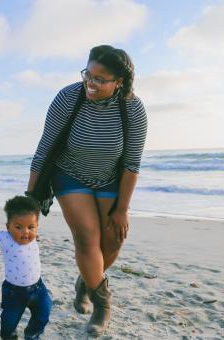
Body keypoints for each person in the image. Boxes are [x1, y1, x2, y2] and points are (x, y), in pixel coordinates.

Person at [27, 45, 147, 336]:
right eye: (87, 74)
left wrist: (122, 210)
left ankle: (86, 281)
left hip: (110, 180)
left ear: (119, 81)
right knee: (86, 237)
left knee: (112, 241)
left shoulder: (132, 108)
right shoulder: (69, 97)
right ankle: (102, 304)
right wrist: (30, 200)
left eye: (99, 79)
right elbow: (45, 147)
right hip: (70, 175)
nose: (90, 83)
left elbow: (132, 164)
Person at [0, 196, 53, 340]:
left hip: (38, 288)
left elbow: (31, 230)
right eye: (18, 227)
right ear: (8, 227)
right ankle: (9, 336)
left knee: (44, 312)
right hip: (14, 293)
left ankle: (32, 335)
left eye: (31, 227)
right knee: (8, 322)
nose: (25, 232)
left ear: (37, 227)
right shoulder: (5, 238)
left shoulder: (33, 237)